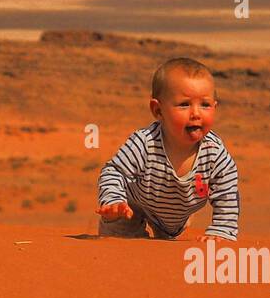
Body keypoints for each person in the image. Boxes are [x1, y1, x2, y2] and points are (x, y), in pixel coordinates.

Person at [96, 57, 240, 240]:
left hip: (177, 211)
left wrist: (221, 230)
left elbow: (227, 192)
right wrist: (113, 200)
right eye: (184, 104)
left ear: (215, 107)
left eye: (205, 105)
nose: (196, 113)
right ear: (158, 110)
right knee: (120, 238)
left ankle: (180, 218)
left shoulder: (215, 153)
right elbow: (113, 171)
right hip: (135, 204)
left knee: (169, 234)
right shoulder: (144, 143)